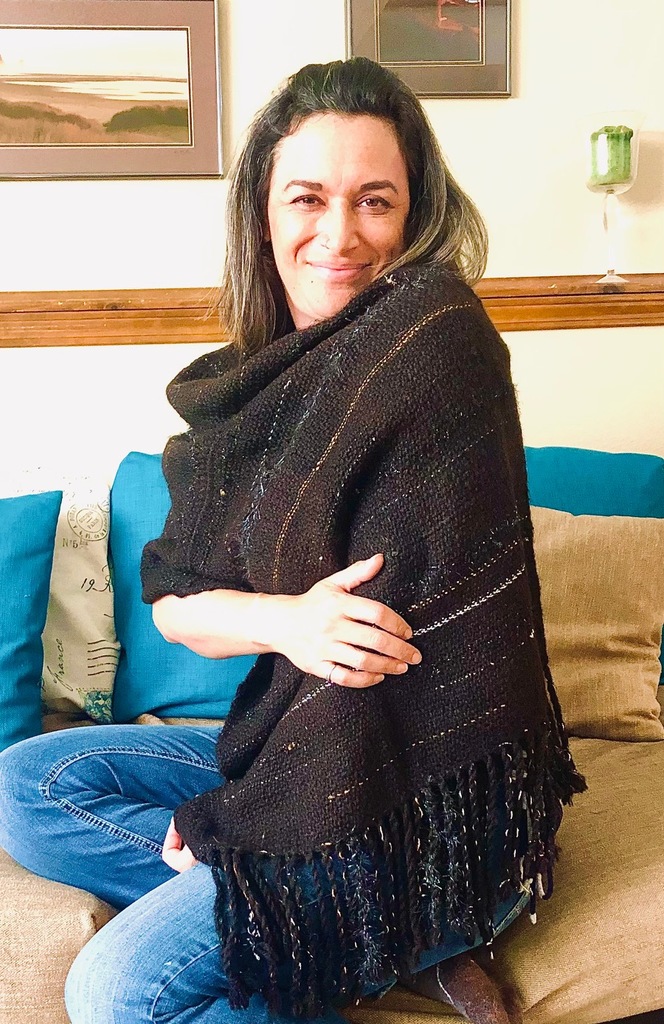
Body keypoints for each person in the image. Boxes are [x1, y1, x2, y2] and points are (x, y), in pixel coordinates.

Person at [0, 57, 585, 1024]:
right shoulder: (252, 385)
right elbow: (177, 604)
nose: (338, 235)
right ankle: (373, 946)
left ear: (416, 215)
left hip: (421, 803)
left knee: (118, 989)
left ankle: (398, 920)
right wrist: (285, 622)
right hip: (301, 750)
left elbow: (375, 668)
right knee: (29, 781)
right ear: (263, 215)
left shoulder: (435, 340)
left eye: (375, 201)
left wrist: (232, 825)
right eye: (307, 198)